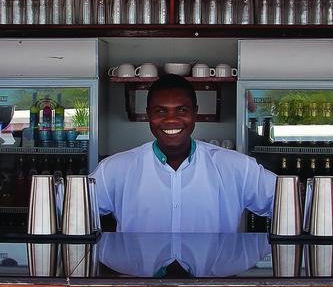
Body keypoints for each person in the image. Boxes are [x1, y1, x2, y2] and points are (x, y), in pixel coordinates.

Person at [91, 73, 277, 233]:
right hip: (139, 275)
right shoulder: (114, 169)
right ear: (149, 115)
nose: (171, 120)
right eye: (160, 111)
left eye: (181, 110)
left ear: (195, 113)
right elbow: (72, 212)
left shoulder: (237, 167)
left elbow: (289, 203)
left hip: (215, 276)